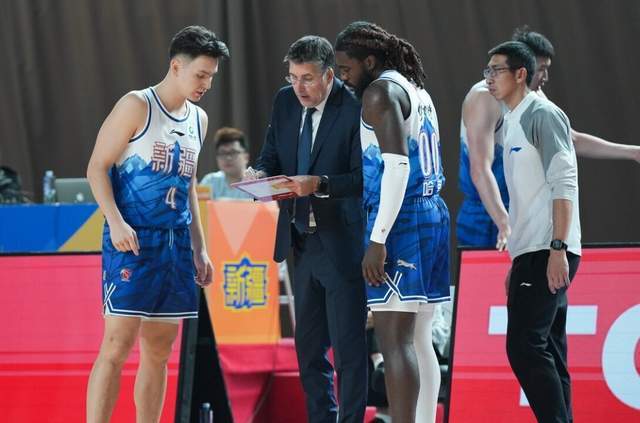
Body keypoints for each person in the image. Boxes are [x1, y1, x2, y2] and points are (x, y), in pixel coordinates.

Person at [85, 25, 228, 423]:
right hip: (133, 238)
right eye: (201, 75)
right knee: (117, 346)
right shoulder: (137, 105)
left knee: (160, 350)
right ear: (176, 66)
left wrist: (199, 247)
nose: (206, 84)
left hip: (176, 243)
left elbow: (189, 186)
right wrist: (115, 222)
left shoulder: (199, 119)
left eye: (211, 77)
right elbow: (96, 167)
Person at [247, 35, 367, 423]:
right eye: (293, 77)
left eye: (308, 78)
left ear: (329, 75)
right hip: (300, 239)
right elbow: (271, 154)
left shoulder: (354, 108)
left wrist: (319, 184)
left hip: (341, 242)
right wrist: (258, 175)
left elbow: (364, 178)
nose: (298, 87)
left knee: (348, 350)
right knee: (308, 350)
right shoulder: (285, 101)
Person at [335, 21, 450, 423]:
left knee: (394, 339)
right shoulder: (416, 88)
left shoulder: (379, 92)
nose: (343, 77)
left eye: (346, 68)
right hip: (432, 211)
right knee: (419, 339)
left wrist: (378, 239)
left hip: (401, 219)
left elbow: (398, 167)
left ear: (369, 61)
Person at [457, 27, 640, 250]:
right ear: (523, 68)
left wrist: (633, 152)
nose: (545, 77)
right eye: (541, 69)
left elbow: (570, 139)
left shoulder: (532, 95)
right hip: (487, 214)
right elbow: (480, 170)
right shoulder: (484, 98)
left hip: (521, 209)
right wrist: (504, 223)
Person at [487, 40, 581, 423]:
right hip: (532, 251)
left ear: (521, 74)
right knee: (550, 350)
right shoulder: (511, 120)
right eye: (487, 71)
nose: (489, 78)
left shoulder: (542, 114)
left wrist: (557, 248)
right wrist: (518, 257)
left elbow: (564, 182)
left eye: (496, 70)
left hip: (549, 248)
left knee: (525, 346)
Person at [199, 126, 253, 200]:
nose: (228, 158)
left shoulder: (255, 184)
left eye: (233, 152)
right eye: (223, 153)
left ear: (246, 157)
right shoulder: (210, 181)